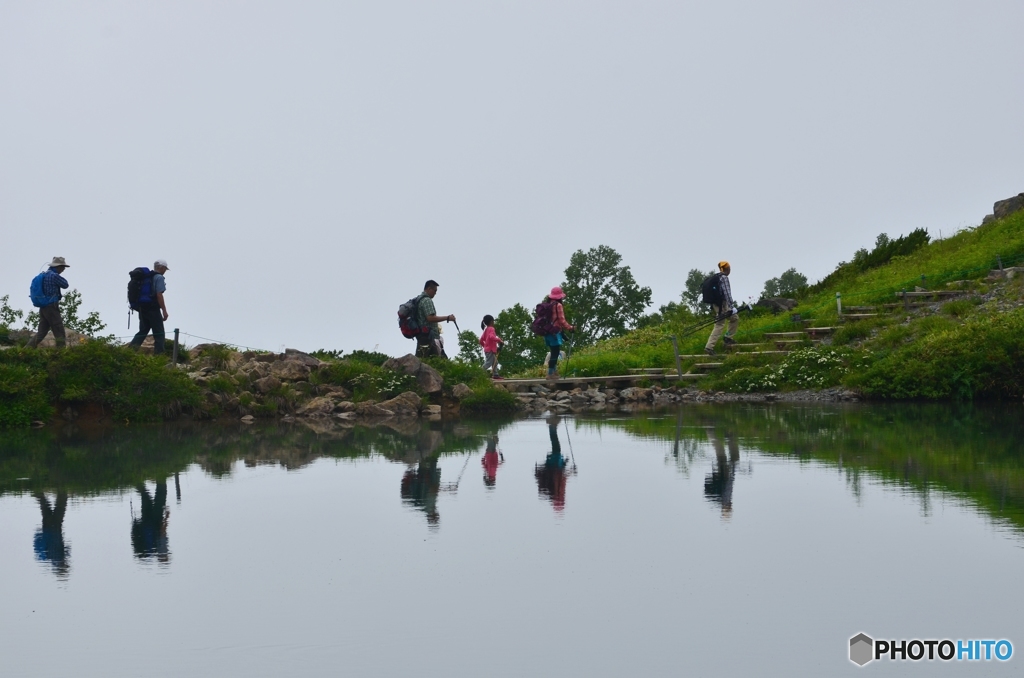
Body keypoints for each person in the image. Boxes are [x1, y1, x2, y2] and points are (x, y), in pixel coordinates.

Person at [26, 256, 71, 348]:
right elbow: (65, 284)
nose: (63, 270)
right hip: (51, 306)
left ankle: (26, 350)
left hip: (43, 306)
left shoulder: (45, 274)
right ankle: (60, 353)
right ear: (58, 266)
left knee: (42, 332)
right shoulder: (54, 276)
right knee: (59, 330)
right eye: (63, 267)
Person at [129, 260, 170, 355]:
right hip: (153, 308)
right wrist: (164, 311)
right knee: (159, 333)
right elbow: (159, 294)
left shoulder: (146, 278)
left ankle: (131, 351)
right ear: (162, 268)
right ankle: (159, 356)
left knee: (143, 331)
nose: (165, 271)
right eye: (165, 269)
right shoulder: (159, 277)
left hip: (142, 308)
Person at [539, 286, 574, 380]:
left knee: (553, 351)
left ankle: (554, 373)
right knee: (555, 353)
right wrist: (570, 327)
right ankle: (550, 373)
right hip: (555, 332)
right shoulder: (558, 305)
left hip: (547, 332)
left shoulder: (547, 305)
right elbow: (562, 320)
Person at [705, 261, 739, 356]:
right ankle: (709, 347)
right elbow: (727, 293)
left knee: (734, 318)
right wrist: (732, 307)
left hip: (717, 304)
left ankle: (728, 337)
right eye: (729, 269)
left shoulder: (716, 277)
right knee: (720, 324)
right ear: (727, 269)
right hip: (721, 305)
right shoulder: (724, 278)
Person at [415, 279, 456, 359]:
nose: (435, 293)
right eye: (435, 290)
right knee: (436, 360)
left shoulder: (419, 299)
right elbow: (430, 318)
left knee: (423, 357)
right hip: (428, 335)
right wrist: (447, 318)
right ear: (429, 289)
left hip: (422, 334)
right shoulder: (427, 300)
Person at [479, 315, 503, 379]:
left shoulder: (486, 330)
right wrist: (499, 340)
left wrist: (485, 346)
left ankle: (496, 375)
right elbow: (491, 337)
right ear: (492, 321)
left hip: (488, 350)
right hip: (490, 350)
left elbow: (481, 340)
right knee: (489, 363)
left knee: (495, 362)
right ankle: (479, 373)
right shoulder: (491, 329)